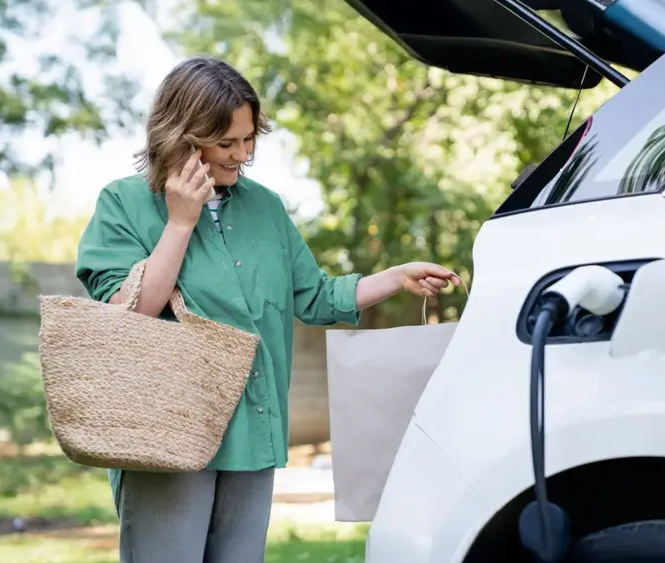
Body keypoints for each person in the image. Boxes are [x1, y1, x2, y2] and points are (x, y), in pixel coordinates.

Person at [75, 56, 460, 563]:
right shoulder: (123, 203)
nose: (243, 155)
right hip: (169, 439)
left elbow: (316, 297)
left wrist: (394, 277)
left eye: (249, 139)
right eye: (227, 143)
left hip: (253, 434)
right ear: (182, 136)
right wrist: (180, 222)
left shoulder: (267, 208)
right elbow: (129, 317)